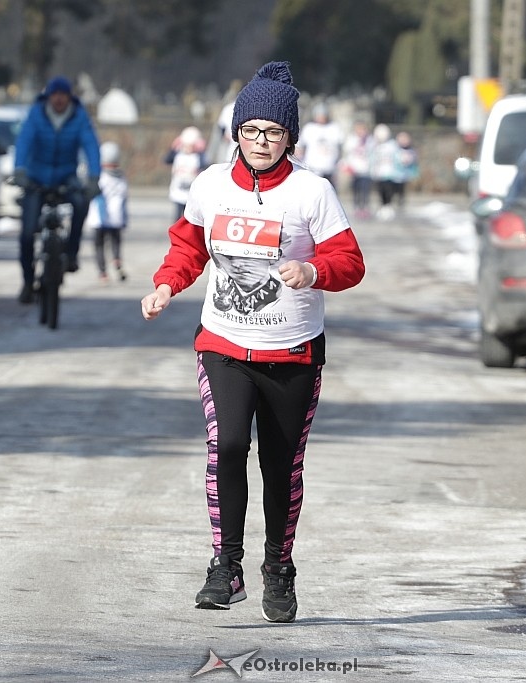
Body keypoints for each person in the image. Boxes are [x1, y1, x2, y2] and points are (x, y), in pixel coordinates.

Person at [140, 61, 365, 624]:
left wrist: (312, 271)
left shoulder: (312, 192)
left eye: (273, 132)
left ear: (289, 137)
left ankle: (278, 567)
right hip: (223, 344)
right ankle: (227, 565)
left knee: (281, 466)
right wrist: (166, 285)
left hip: (292, 352)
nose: (260, 141)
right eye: (250, 130)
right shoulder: (211, 185)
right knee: (228, 445)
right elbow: (189, 245)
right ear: (235, 132)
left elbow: (350, 262)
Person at [12, 76, 102, 304]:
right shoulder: (36, 114)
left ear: (69, 97)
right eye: (55, 95)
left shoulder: (79, 116)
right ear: (48, 96)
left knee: (82, 203)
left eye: (64, 95)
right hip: (36, 177)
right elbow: (24, 141)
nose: (59, 99)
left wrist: (94, 177)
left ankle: (71, 253)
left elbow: (90, 145)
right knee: (27, 232)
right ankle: (27, 280)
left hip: (65, 175)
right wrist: (19, 170)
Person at [86, 141, 129, 283]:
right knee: (115, 241)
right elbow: (124, 197)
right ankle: (116, 259)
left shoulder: (98, 176)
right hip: (116, 217)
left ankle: (102, 272)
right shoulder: (121, 177)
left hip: (100, 217)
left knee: (99, 245)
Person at [294, 102, 344, 185]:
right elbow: (302, 146)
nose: (321, 118)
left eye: (323, 115)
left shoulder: (334, 128)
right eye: (319, 115)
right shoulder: (309, 128)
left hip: (330, 167)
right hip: (313, 167)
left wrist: (338, 162)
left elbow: (340, 146)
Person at [165, 126, 207, 221]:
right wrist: (173, 148)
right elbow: (167, 160)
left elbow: (204, 164)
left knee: (188, 218)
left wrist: (201, 151)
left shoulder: (197, 156)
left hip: (191, 193)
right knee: (177, 217)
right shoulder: (178, 155)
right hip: (178, 191)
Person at [341, 120, 374, 218]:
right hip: (355, 169)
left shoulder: (370, 140)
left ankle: (365, 207)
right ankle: (356, 207)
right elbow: (348, 153)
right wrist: (347, 165)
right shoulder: (352, 139)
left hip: (366, 169)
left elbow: (373, 153)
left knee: (365, 190)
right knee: (356, 189)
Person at [369, 123, 399, 221]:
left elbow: (396, 158)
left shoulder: (392, 145)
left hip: (390, 173)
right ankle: (382, 206)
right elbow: (372, 159)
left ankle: (388, 206)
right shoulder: (374, 145)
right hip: (379, 173)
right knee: (380, 191)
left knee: (389, 191)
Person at [392, 130, 420, 212]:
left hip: (404, 175)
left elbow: (414, 163)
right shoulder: (395, 149)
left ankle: (401, 203)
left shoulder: (411, 151)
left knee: (402, 190)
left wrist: (414, 173)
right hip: (394, 174)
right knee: (394, 189)